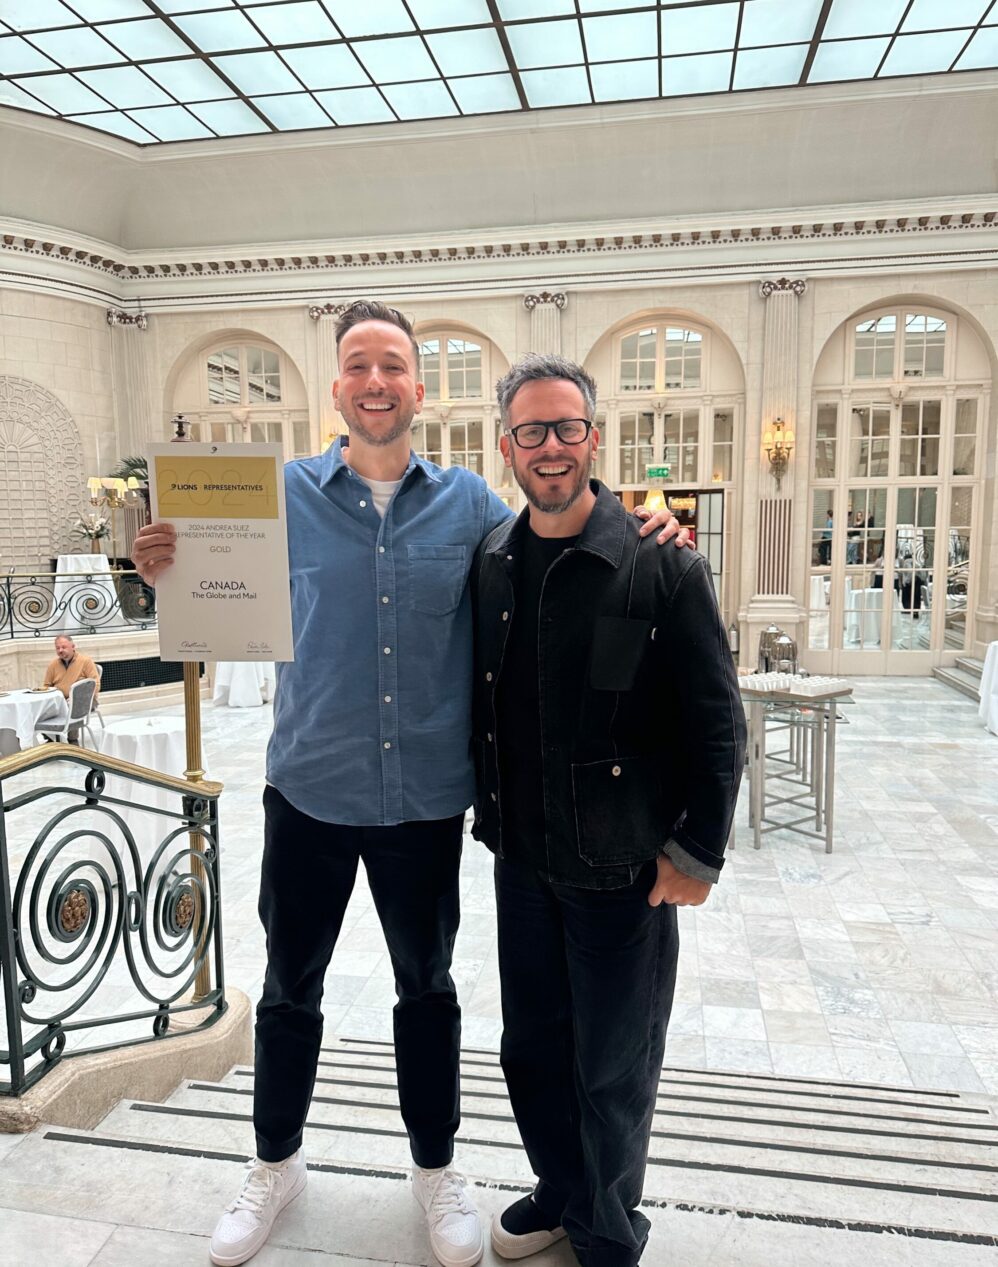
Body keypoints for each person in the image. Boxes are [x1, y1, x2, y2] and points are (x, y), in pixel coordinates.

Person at [131, 302, 688, 1267]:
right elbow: (203, 594)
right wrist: (159, 568)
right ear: (336, 386)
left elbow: (565, 530)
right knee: (288, 988)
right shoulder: (277, 499)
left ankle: (435, 1171)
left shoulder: (472, 506)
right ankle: (276, 1162)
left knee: (426, 989)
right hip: (308, 787)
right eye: (358, 364)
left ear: (418, 390)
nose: (376, 380)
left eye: (394, 364)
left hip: (425, 800)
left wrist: (652, 524)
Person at [470, 354, 746, 1266]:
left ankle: (607, 1230)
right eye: (531, 431)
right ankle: (562, 1189)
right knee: (532, 1049)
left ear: (595, 436)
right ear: (506, 443)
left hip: (622, 869)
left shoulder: (662, 565)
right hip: (526, 859)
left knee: (615, 1067)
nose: (549, 447)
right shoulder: (496, 561)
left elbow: (718, 721)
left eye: (566, 428)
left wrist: (697, 850)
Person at [43, 635, 100, 699]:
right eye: (57, 648)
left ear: (73, 647)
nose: (60, 650)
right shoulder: (53, 664)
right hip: (59, 701)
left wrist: (79, 697)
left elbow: (96, 685)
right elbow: (46, 686)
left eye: (64, 647)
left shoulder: (85, 661)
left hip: (81, 701)